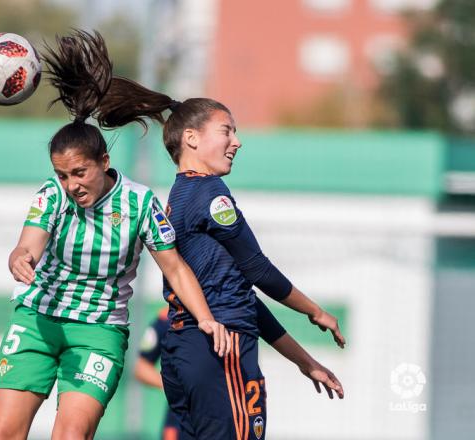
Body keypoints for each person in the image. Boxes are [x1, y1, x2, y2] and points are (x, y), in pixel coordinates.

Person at [88, 38, 348, 440]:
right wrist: (314, 311)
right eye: (227, 130)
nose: (237, 141)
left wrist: (303, 361)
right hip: (220, 350)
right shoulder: (210, 194)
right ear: (191, 138)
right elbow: (257, 269)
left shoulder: (180, 195)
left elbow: (242, 299)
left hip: (190, 350)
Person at [0, 31, 231, 440]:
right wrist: (19, 259)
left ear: (104, 162)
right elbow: (27, 244)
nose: (71, 184)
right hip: (37, 322)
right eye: (63, 175)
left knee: (70, 436)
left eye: (79, 173)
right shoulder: (52, 196)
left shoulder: (139, 204)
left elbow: (176, 268)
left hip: (98, 332)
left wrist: (206, 319)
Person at [135, 301, 344, 440]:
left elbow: (262, 290)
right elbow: (141, 368)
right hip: (183, 419)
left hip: (233, 411)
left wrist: (307, 362)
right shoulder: (169, 319)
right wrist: (186, 386)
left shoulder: (236, 307)